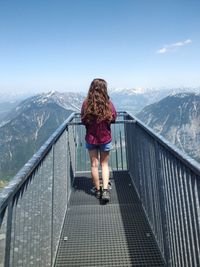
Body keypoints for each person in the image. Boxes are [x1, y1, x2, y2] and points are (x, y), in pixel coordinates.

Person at [81, 78, 117, 202]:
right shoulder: (108, 103)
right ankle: (105, 190)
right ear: (104, 89)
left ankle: (98, 190)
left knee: (94, 165)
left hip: (91, 138)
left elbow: (83, 119)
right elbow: (114, 118)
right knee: (105, 164)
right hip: (105, 138)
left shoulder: (86, 103)